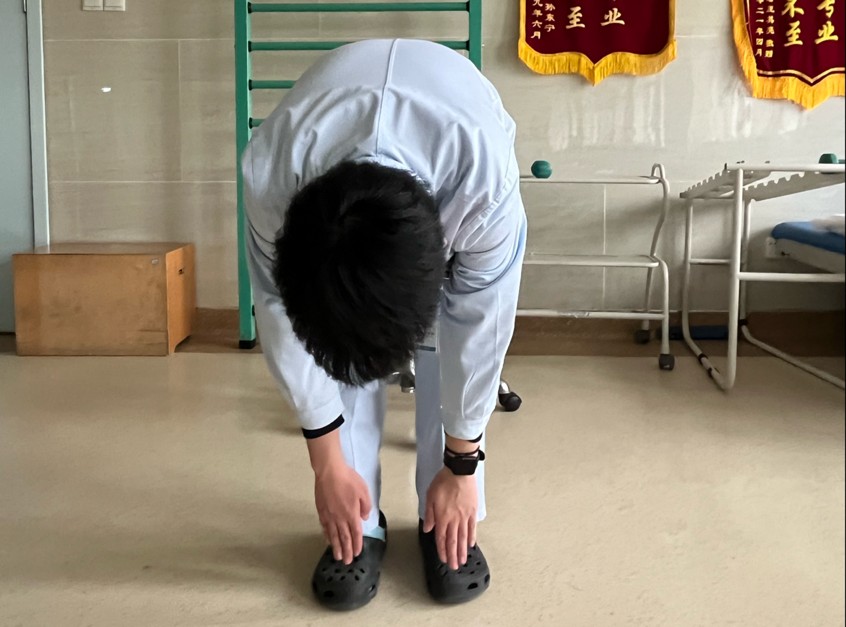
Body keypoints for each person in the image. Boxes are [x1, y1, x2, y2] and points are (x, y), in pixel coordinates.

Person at [242, 38, 526, 610]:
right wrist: (326, 464)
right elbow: (281, 314)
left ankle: (446, 508)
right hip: (324, 132)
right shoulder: (271, 180)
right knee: (338, 321)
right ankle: (360, 519)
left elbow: (480, 328)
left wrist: (461, 464)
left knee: (448, 341)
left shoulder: (483, 184)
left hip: (455, 125)